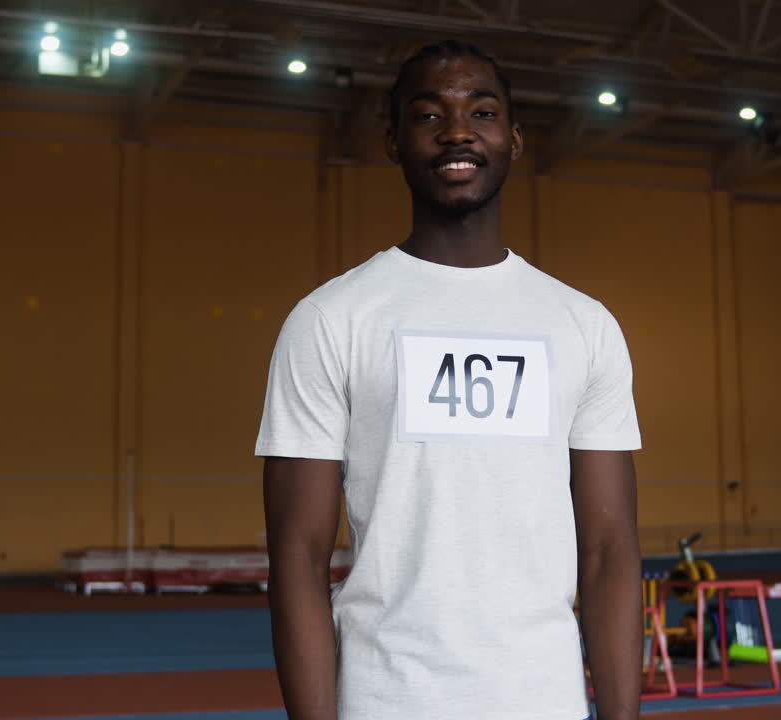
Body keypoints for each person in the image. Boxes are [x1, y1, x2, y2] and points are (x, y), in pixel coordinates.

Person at [256, 39, 643, 720]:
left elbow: (610, 551)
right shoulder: (330, 320)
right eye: (429, 116)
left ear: (515, 139)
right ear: (393, 141)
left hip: (546, 701)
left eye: (482, 112)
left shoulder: (583, 326)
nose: (458, 131)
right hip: (386, 700)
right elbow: (297, 555)